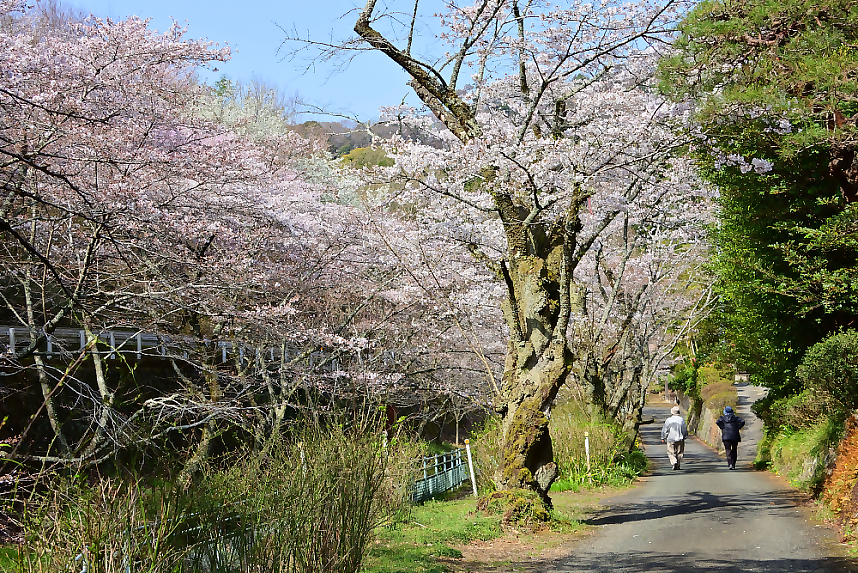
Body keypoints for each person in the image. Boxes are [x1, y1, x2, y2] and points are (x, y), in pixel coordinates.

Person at [716, 406, 746, 470]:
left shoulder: (722, 418)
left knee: (728, 450)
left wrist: (722, 428)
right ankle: (734, 464)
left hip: (726, 436)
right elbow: (742, 421)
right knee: (734, 450)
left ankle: (730, 464)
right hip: (735, 435)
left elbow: (717, 422)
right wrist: (738, 427)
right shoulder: (735, 418)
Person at [661, 406, 689, 470]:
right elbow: (684, 429)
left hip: (671, 438)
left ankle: (674, 461)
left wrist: (663, 437)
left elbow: (665, 429)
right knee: (679, 452)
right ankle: (677, 465)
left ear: (672, 412)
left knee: (671, 452)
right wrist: (685, 436)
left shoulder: (669, 420)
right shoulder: (681, 420)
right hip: (680, 438)